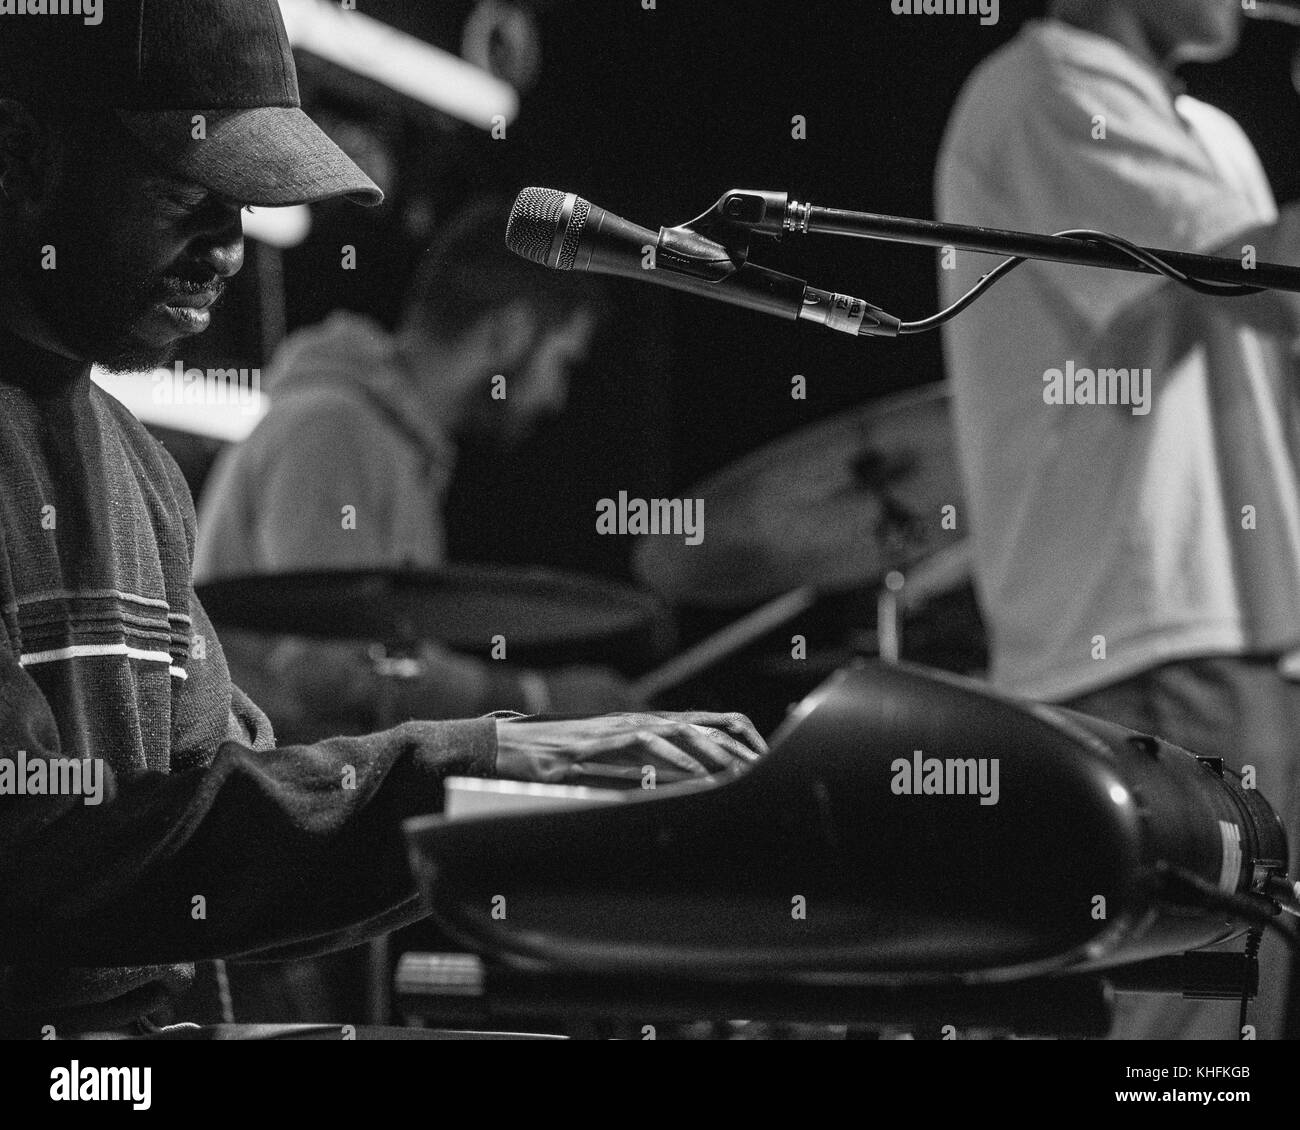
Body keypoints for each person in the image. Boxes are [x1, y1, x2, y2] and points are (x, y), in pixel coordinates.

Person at [0, 0, 765, 1039]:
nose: (229, 246)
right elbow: (39, 858)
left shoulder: (133, 462)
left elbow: (214, 800)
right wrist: (490, 754)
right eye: (190, 196)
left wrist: (554, 793)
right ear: (20, 153)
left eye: (245, 206)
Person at [937, 0, 1300, 1038]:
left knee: (1228, 1034)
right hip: (1142, 642)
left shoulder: (1212, 132)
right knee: (1166, 1038)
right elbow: (1253, 281)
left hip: (1242, 637)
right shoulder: (1046, 87)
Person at [195, 196, 640, 738]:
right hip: (267, 792)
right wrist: (535, 698)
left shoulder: (396, 444)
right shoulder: (335, 429)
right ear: (512, 331)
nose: (556, 398)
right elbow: (325, 674)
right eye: (562, 362)